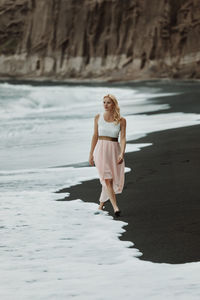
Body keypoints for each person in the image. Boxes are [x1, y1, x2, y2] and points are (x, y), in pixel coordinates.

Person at [89, 94, 126, 217]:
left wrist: (122, 153)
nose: (105, 105)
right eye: (104, 102)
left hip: (114, 151)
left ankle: (101, 204)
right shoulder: (98, 117)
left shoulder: (121, 120)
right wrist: (91, 154)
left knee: (110, 179)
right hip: (100, 151)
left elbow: (123, 138)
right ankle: (116, 208)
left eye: (108, 102)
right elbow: (95, 136)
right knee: (107, 179)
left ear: (114, 104)